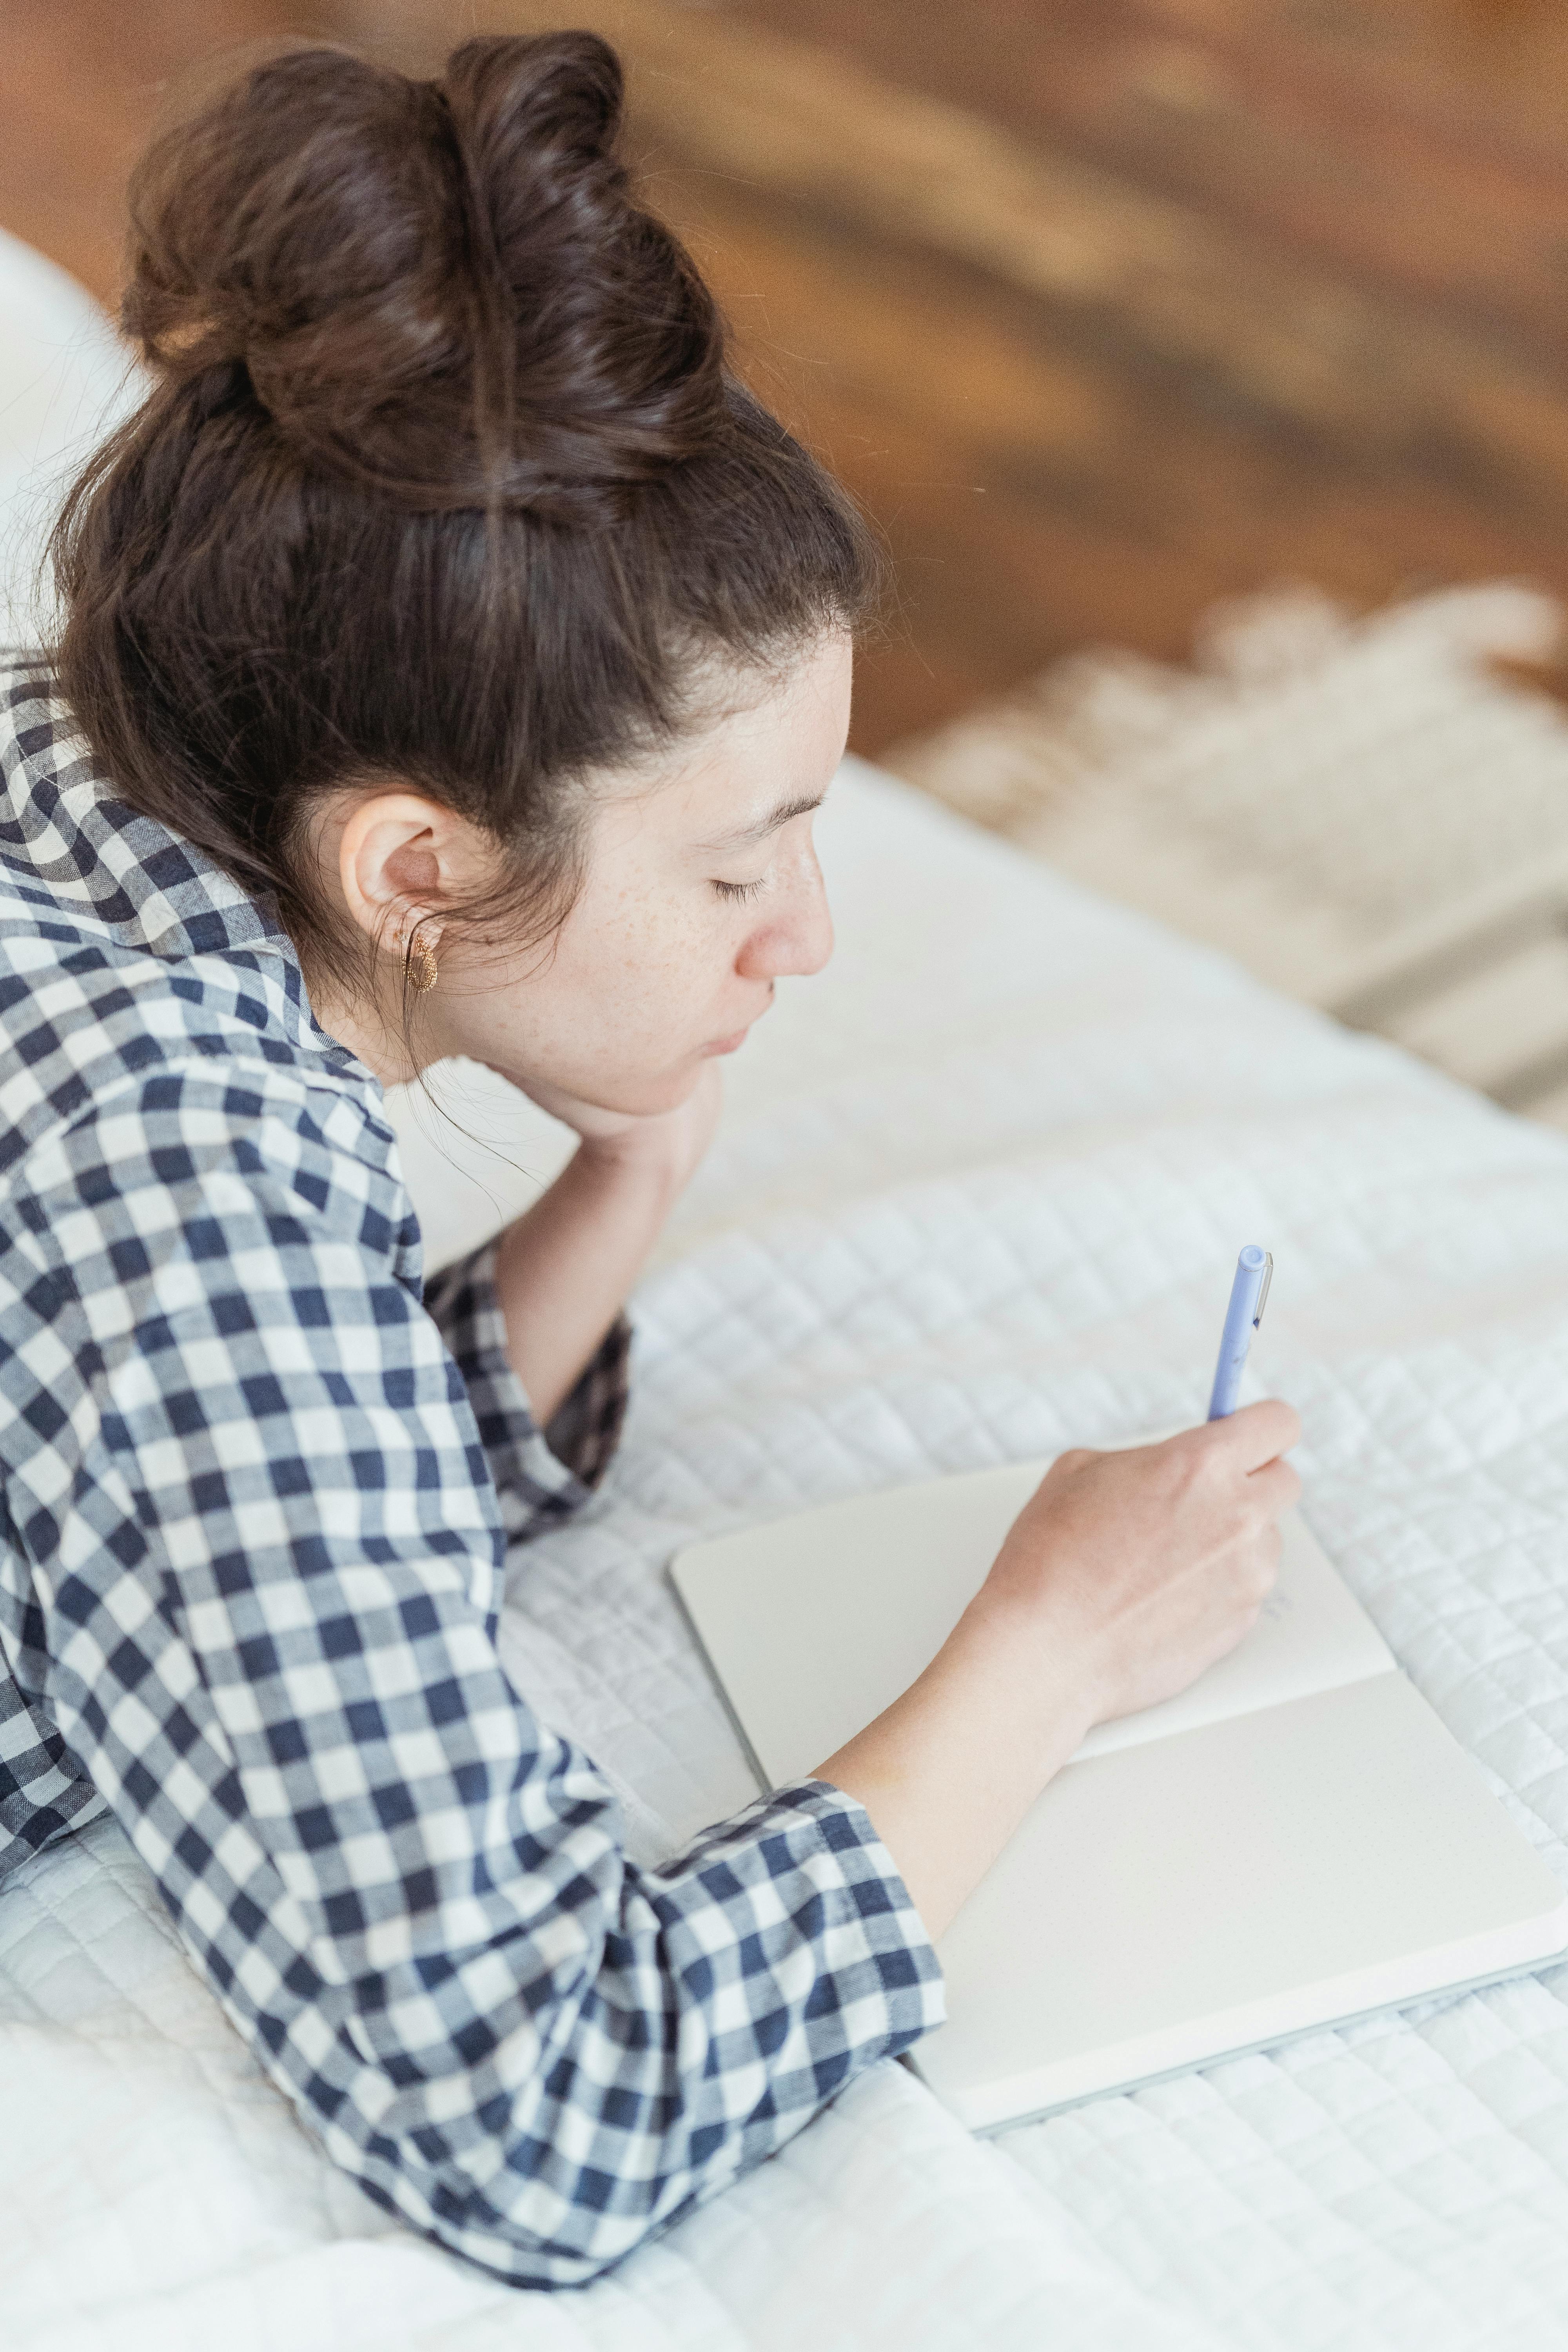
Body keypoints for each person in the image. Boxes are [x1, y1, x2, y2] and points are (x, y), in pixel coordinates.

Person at [0, 32, 1300, 2288]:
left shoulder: (100, 722)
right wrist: (1053, 1647)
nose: (805, 937)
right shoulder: (177, 1173)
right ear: (414, 864)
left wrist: (620, 1184)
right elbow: (540, 2110)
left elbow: (172, 1522)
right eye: (735, 870)